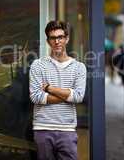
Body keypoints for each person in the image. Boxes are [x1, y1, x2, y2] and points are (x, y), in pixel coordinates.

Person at [29, 20, 87, 160]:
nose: (57, 41)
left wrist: (50, 88)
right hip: (42, 128)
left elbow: (78, 97)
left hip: (67, 129)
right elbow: (36, 97)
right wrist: (68, 95)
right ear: (48, 41)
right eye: (53, 38)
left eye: (60, 37)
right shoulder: (38, 65)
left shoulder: (79, 67)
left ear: (66, 39)